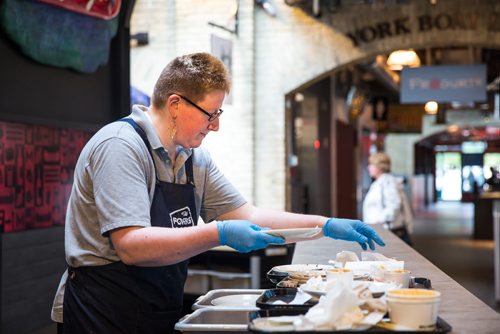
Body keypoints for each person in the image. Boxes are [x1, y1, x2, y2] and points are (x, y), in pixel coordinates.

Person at [51, 52, 385, 333]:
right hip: (102, 310)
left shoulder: (194, 159)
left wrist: (324, 225)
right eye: (211, 114)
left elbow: (248, 215)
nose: (216, 126)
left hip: (155, 307)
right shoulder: (120, 146)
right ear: (175, 104)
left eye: (218, 114)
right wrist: (217, 233)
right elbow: (132, 246)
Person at [362, 152, 413, 245]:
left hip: (387, 230)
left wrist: (377, 221)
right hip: (380, 229)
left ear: (380, 167)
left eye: (371, 165)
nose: (368, 167)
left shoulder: (388, 183)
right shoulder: (380, 182)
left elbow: (394, 205)